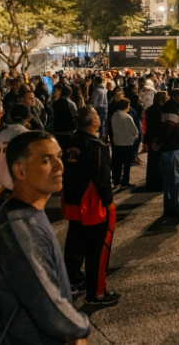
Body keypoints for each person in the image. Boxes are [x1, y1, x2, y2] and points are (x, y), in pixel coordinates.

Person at [0, 131, 91, 345]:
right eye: (46, 160)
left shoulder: (22, 213)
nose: (59, 166)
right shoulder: (22, 228)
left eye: (59, 157)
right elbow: (48, 305)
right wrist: (79, 329)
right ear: (20, 170)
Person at [61, 106, 119, 305]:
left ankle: (73, 279)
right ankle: (96, 293)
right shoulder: (96, 146)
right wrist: (109, 202)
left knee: (74, 243)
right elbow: (103, 178)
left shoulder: (69, 142)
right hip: (93, 205)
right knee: (97, 249)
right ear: (93, 122)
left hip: (72, 202)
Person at [0, 104, 31, 213]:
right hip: (27, 198)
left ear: (8, 118)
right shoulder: (33, 139)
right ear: (29, 118)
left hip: (1, 198)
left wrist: (2, 193)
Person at [153, 89, 179, 217]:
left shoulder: (172, 108)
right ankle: (175, 207)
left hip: (171, 149)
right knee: (174, 180)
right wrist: (159, 143)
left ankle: (169, 206)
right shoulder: (172, 109)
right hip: (172, 149)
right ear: (174, 97)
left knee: (170, 181)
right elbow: (168, 128)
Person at [110, 98, 139, 188]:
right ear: (126, 106)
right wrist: (135, 136)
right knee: (126, 164)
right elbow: (134, 130)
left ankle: (116, 181)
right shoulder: (127, 117)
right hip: (127, 143)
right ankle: (125, 182)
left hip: (117, 142)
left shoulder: (114, 115)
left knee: (117, 163)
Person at [144, 91, 167, 191]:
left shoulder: (150, 109)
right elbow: (158, 126)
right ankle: (158, 184)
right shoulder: (161, 110)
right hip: (157, 138)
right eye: (166, 97)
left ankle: (152, 183)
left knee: (153, 162)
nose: (167, 99)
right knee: (159, 163)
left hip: (151, 137)